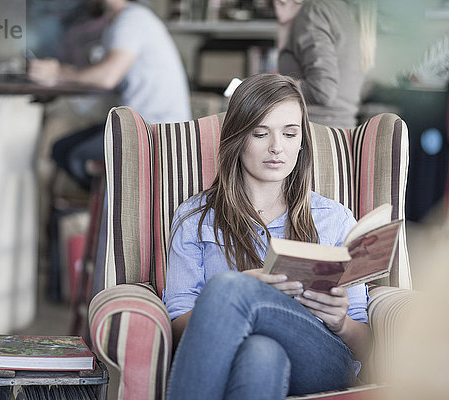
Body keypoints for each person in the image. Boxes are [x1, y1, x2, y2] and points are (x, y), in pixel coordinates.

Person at [162, 73, 372, 400]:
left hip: (323, 360)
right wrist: (245, 295)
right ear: (237, 138)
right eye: (261, 133)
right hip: (238, 358)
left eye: (290, 133)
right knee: (262, 355)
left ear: (302, 141)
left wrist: (341, 321)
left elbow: (365, 345)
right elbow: (177, 325)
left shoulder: (334, 219)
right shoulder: (195, 217)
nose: (277, 148)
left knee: (229, 287)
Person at [29, 0, 191, 189]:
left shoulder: (132, 19)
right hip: (135, 123)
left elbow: (107, 76)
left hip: (155, 128)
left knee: (78, 157)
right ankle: (104, 207)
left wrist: (58, 73)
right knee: (61, 149)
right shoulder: (119, 22)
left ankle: (124, 207)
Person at [274, 0, 377, 128]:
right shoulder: (345, 9)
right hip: (341, 133)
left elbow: (322, 90)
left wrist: (268, 88)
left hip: (314, 135)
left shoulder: (314, 11)